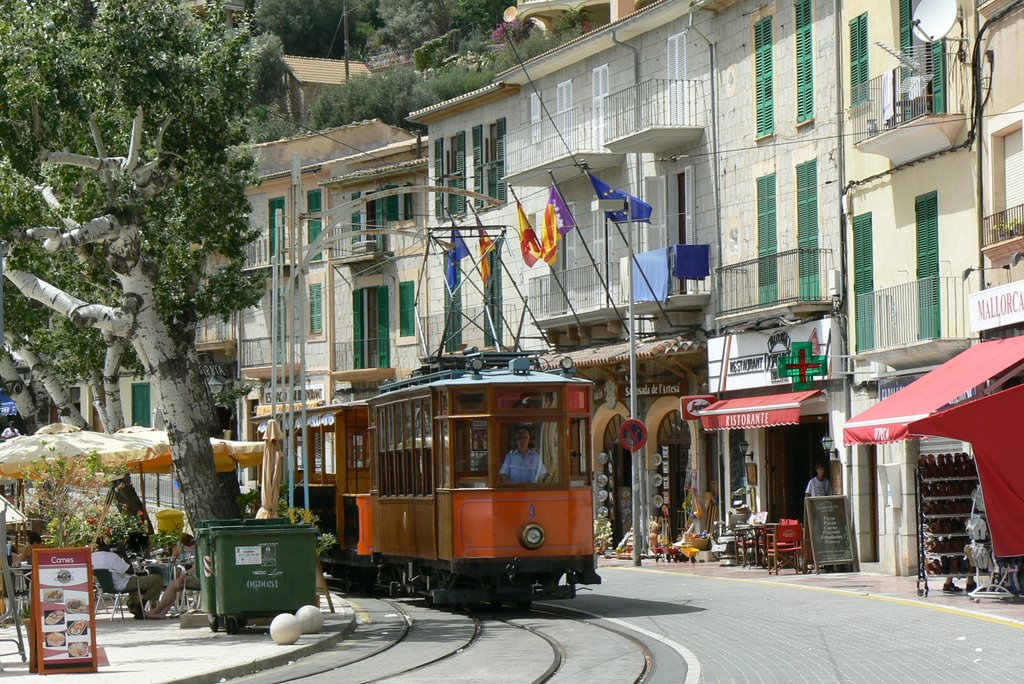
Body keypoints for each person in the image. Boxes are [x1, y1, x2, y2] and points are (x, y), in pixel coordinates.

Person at [91, 539, 162, 619]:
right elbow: (131, 571)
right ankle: (141, 604)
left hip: (106, 586)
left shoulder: (92, 556)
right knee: (157, 579)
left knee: (135, 583)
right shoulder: (112, 556)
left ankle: (133, 606)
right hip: (123, 584)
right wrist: (124, 555)